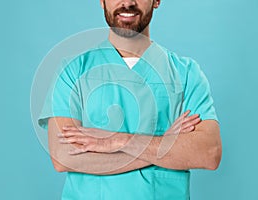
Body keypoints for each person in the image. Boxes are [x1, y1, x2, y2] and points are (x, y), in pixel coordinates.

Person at [38, 0, 222, 199]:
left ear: (157, 1)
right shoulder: (73, 71)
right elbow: (64, 156)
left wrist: (119, 141)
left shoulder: (186, 74)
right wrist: (165, 145)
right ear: (102, 1)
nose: (127, 2)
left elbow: (208, 153)